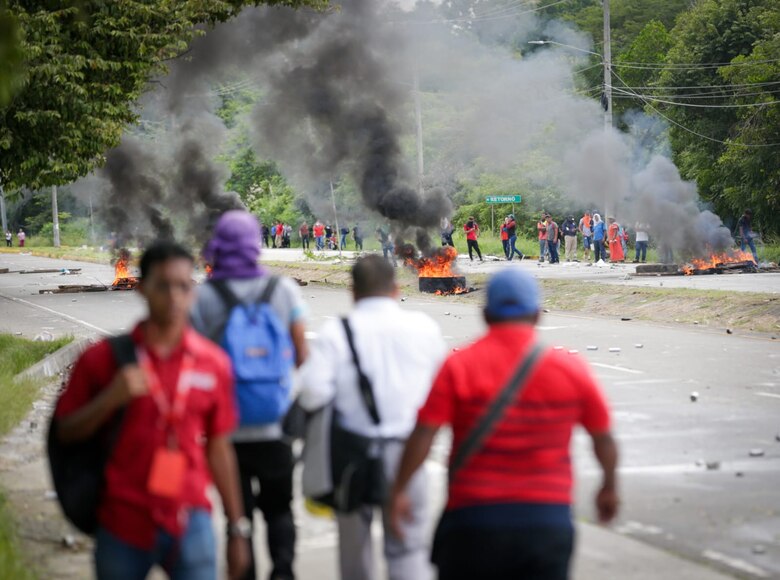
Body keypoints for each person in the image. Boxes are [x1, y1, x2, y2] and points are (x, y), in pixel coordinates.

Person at [389, 268, 619, 580]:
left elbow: (423, 434)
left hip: (473, 522)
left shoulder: (459, 366)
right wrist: (608, 487)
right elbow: (602, 438)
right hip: (547, 523)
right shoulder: (571, 369)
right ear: (537, 314)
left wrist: (399, 489)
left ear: (485, 314)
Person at [53, 241, 250, 580]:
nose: (174, 297)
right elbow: (65, 432)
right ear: (141, 289)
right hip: (122, 523)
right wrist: (110, 399)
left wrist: (237, 530)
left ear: (194, 291)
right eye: (163, 285)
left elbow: (219, 447)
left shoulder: (212, 363)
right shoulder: (102, 359)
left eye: (184, 286)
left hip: (191, 520)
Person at [298, 255, 447, 580]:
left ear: (353, 291)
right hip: (411, 455)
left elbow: (311, 394)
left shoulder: (336, 333)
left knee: (355, 553)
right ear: (396, 288)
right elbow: (442, 391)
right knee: (408, 550)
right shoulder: (424, 328)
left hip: (353, 457)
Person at [191, 210, 308, 580]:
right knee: (279, 509)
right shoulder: (283, 290)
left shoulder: (203, 297)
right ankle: (284, 573)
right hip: (275, 424)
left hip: (224, 432)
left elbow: (192, 362)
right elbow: (302, 354)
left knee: (237, 516)